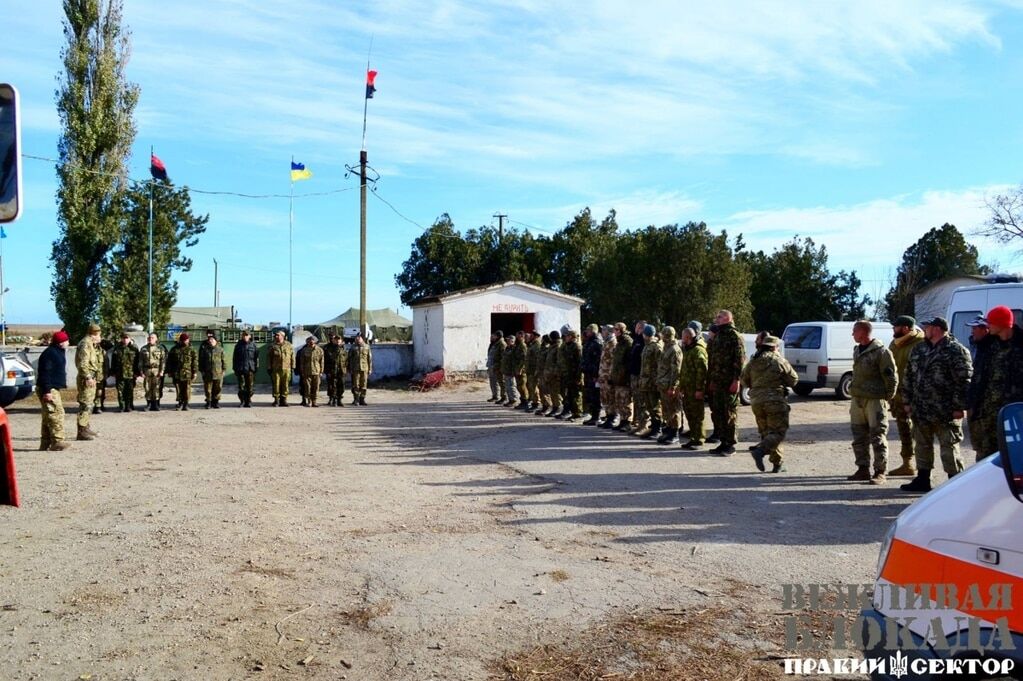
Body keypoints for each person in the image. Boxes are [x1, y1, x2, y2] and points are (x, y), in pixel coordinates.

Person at [900, 317, 973, 493]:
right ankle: (923, 480)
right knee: (922, 446)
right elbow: (908, 375)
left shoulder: (956, 350)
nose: (924, 329)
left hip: (945, 411)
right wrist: (907, 401)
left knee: (949, 448)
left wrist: (958, 407)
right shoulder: (919, 349)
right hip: (921, 409)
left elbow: (964, 381)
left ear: (938, 329)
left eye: (928, 327)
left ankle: (955, 483)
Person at [967, 306, 1023, 462]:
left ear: (1002, 323)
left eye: (990, 322)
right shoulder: (988, 346)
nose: (988, 326)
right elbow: (977, 377)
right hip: (987, 414)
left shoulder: (1019, 347)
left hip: (1014, 413)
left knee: (1014, 456)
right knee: (985, 458)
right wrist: (972, 403)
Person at [847, 320, 898, 485]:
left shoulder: (881, 352)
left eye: (854, 331)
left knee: (877, 436)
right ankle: (862, 469)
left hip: (874, 400)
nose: (852, 335)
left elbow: (891, 377)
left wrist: (887, 397)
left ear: (862, 332)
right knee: (859, 436)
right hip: (858, 399)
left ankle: (880, 471)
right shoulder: (857, 350)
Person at [741, 334, 798, 473]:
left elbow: (744, 379)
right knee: (778, 432)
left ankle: (777, 464)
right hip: (774, 401)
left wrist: (756, 386)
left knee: (767, 432)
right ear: (774, 347)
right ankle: (760, 451)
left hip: (756, 401)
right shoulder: (778, 360)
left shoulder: (754, 360)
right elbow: (794, 379)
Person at [886, 315, 925, 477]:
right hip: (898, 395)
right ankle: (907, 463)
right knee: (904, 429)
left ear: (906, 328)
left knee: (920, 432)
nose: (893, 329)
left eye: (896, 326)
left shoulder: (920, 344)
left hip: (915, 396)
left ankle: (923, 467)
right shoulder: (894, 344)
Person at [705, 310, 745, 456]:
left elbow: (739, 360)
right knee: (718, 412)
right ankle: (723, 441)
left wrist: (736, 380)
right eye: (717, 317)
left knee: (729, 413)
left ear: (728, 318)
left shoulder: (734, 336)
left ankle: (731, 444)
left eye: (720, 317)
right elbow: (713, 360)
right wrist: (711, 380)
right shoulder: (718, 336)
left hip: (729, 381)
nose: (717, 319)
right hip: (718, 381)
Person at [37, 330, 72, 451]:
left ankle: (45, 443)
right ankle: (57, 441)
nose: (68, 342)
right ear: (60, 342)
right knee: (56, 414)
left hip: (52, 387)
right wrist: (47, 391)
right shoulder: (50, 353)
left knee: (48, 416)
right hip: (48, 388)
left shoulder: (57, 352)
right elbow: (45, 372)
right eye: (66, 340)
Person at [678, 323, 708, 450]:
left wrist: (700, 389)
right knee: (689, 413)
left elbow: (702, 371)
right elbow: (684, 370)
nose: (681, 339)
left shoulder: (698, 350)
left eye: (683, 337)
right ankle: (693, 437)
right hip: (687, 388)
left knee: (697, 415)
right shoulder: (688, 349)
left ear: (688, 337)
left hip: (695, 388)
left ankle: (699, 439)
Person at [655, 326, 683, 444]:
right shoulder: (666, 348)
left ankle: (675, 433)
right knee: (666, 410)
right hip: (663, 384)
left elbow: (676, 371)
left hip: (670, 385)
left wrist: (673, 387)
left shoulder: (675, 349)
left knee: (673, 409)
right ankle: (669, 430)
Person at [75, 323, 103, 441]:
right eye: (99, 335)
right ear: (94, 334)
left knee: (89, 403)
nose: (100, 337)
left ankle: (86, 426)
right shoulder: (85, 344)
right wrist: (88, 377)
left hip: (91, 378)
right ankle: (81, 431)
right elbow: (83, 364)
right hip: (86, 379)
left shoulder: (91, 344)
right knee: (85, 404)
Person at [635, 324, 663, 438]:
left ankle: (658, 429)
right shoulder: (647, 346)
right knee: (649, 406)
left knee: (655, 406)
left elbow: (660, 365)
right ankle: (653, 428)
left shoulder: (656, 346)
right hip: (645, 381)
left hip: (652, 381)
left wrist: (657, 380)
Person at [608, 323, 633, 431]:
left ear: (622, 330)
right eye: (614, 329)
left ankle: (627, 422)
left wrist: (625, 375)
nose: (615, 331)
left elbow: (628, 361)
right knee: (619, 399)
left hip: (624, 377)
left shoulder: (627, 342)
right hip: (617, 376)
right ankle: (622, 421)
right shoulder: (619, 343)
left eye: (617, 329)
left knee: (625, 400)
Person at [557, 325, 584, 421]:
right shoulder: (565, 345)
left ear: (571, 336)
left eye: (566, 336)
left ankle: (577, 414)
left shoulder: (576, 346)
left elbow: (580, 363)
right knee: (567, 394)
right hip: (566, 374)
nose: (564, 337)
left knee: (575, 395)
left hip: (573, 375)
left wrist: (579, 378)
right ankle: (569, 411)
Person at [166, 332, 199, 411]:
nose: (184, 341)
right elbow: (169, 361)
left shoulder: (191, 350)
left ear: (188, 340)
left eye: (186, 340)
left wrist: (194, 372)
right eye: (183, 340)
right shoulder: (174, 349)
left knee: (187, 388)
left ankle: (186, 403)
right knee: (178, 388)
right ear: (180, 340)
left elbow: (195, 361)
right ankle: (180, 402)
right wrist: (169, 371)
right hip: (176, 372)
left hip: (187, 372)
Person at [135, 333, 166, 411]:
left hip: (157, 370)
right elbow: (140, 361)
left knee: (157, 387)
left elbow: (163, 361)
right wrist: (141, 372)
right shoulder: (143, 349)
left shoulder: (160, 348)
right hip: (147, 370)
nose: (150, 339)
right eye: (149, 338)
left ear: (156, 339)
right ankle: (148, 404)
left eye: (152, 338)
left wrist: (161, 371)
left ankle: (156, 404)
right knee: (147, 387)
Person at [110, 332, 139, 412]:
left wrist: (137, 372)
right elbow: (113, 361)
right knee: (120, 391)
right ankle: (122, 406)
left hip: (131, 373)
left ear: (130, 339)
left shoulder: (134, 348)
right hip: (120, 373)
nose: (125, 340)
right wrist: (113, 372)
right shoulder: (117, 348)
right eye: (123, 338)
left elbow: (137, 361)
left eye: (127, 338)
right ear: (121, 339)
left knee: (129, 390)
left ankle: (129, 406)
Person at [580, 324, 604, 425]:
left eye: (588, 330)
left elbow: (598, 360)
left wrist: (596, 374)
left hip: (594, 374)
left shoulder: (597, 343)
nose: (586, 332)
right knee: (590, 395)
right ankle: (593, 416)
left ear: (593, 331)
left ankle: (596, 417)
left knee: (595, 396)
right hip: (588, 373)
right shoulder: (589, 342)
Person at [198, 330, 227, 409]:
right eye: (209, 340)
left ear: (215, 340)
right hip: (208, 372)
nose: (210, 341)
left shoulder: (220, 349)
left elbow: (223, 360)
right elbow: (201, 360)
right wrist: (202, 370)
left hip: (218, 372)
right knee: (208, 389)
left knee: (217, 388)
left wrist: (224, 370)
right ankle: (208, 402)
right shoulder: (205, 349)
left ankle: (216, 402)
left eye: (212, 339)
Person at [626, 321, 646, 431]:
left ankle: (641, 423)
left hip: (640, 374)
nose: (636, 329)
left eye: (638, 327)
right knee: (636, 399)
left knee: (641, 400)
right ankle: (636, 421)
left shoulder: (643, 342)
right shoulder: (636, 340)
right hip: (633, 373)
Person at [597, 325, 617, 427]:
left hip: (608, 375)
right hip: (603, 375)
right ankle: (608, 416)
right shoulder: (606, 342)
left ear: (608, 332)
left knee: (610, 397)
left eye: (603, 330)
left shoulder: (613, 343)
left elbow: (613, 361)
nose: (601, 332)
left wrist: (610, 375)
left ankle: (612, 418)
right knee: (605, 397)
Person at [232, 330, 259, 408]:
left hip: (250, 368)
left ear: (250, 336)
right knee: (241, 387)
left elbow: (256, 358)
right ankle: (242, 401)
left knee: (250, 387)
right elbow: (234, 358)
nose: (245, 337)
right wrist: (235, 368)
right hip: (240, 368)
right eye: (244, 335)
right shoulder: (238, 345)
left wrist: (256, 368)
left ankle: (248, 401)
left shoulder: (253, 345)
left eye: (247, 335)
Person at [268, 330, 294, 407]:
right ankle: (276, 400)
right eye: (275, 335)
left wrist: (293, 367)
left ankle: (284, 400)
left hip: (286, 368)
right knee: (276, 384)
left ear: (282, 336)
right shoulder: (273, 346)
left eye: (278, 335)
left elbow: (292, 356)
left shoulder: (289, 345)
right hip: (276, 369)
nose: (276, 337)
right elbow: (269, 358)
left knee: (285, 384)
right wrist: (269, 367)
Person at [299, 334, 325, 407]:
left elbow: (322, 361)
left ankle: (314, 401)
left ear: (315, 342)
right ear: (307, 342)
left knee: (316, 387)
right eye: (309, 341)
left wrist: (321, 371)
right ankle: (309, 401)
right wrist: (302, 371)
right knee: (308, 387)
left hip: (317, 371)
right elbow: (302, 362)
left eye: (312, 341)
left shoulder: (319, 350)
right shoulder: (304, 350)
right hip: (307, 371)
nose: (311, 342)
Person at [323, 333, 347, 407]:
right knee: (332, 386)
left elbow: (346, 360)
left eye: (339, 340)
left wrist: (346, 369)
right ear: (333, 340)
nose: (337, 342)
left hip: (341, 371)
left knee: (341, 386)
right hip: (331, 370)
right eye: (336, 340)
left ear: (341, 341)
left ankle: (339, 399)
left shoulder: (343, 349)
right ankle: (333, 399)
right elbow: (324, 360)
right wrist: (326, 370)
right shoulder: (328, 349)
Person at [348, 333, 373, 405]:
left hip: (364, 368)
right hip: (355, 369)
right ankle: (356, 399)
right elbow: (349, 359)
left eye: (359, 338)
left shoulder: (367, 347)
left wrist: (370, 369)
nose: (358, 340)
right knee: (356, 384)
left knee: (364, 384)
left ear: (362, 339)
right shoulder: (353, 347)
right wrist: (349, 368)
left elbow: (370, 359)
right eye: (356, 338)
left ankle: (362, 399)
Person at [543, 330, 563, 417]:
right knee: (552, 391)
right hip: (550, 374)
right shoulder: (552, 347)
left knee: (556, 392)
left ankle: (558, 407)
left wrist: (554, 372)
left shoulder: (558, 347)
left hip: (555, 374)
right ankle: (554, 407)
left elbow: (558, 362)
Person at [524, 330, 543, 411]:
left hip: (534, 370)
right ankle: (533, 402)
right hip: (530, 370)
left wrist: (537, 370)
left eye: (531, 336)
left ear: (535, 336)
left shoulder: (537, 345)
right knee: (531, 387)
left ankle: (536, 403)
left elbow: (538, 359)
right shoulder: (532, 345)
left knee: (534, 387)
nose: (530, 337)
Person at [534, 334, 553, 415]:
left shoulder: (547, 348)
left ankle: (548, 406)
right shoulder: (542, 348)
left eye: (543, 339)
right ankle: (544, 406)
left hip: (545, 372)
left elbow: (547, 362)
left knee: (546, 390)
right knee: (541, 389)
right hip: (540, 372)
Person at [486, 331, 506, 403]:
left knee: (501, 382)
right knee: (493, 382)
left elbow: (503, 357)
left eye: (493, 336)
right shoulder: (494, 344)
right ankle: (495, 396)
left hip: (498, 367)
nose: (491, 337)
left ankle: (504, 397)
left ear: (497, 336)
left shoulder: (501, 344)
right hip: (492, 366)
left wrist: (499, 366)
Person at [500, 333, 519, 407]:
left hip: (511, 371)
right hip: (506, 370)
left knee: (511, 385)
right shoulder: (507, 348)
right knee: (507, 386)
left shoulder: (514, 349)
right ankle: (510, 399)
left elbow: (515, 360)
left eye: (509, 340)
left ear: (512, 340)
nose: (507, 341)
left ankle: (514, 399)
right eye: (507, 340)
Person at [95, 338, 113, 413]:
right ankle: (96, 406)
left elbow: (106, 364)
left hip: (101, 375)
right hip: (94, 375)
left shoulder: (103, 352)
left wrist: (107, 374)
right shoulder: (92, 351)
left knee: (101, 391)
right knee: (95, 392)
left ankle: (100, 405)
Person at [512, 331, 529, 409]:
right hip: (516, 368)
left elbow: (524, 359)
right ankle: (522, 401)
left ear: (522, 336)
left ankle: (525, 402)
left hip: (521, 370)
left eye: (519, 336)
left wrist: (520, 369)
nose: (517, 338)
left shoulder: (523, 346)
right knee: (519, 386)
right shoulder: (518, 345)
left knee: (522, 386)